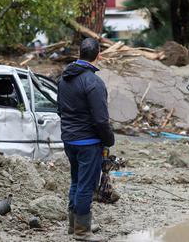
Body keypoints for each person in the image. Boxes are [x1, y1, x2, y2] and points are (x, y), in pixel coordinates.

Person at [57, 38, 115, 241]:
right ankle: (82, 232)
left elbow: (60, 110)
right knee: (86, 186)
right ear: (99, 55)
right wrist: (109, 139)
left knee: (76, 181)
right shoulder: (94, 82)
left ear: (79, 53)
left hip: (69, 140)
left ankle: (74, 225)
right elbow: (101, 120)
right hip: (88, 142)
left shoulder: (63, 78)